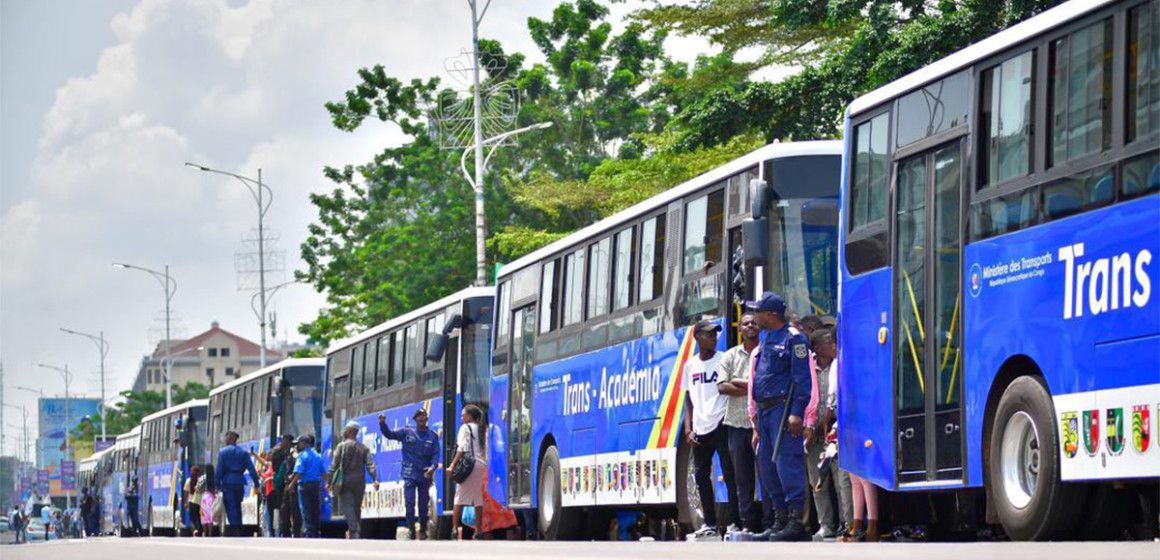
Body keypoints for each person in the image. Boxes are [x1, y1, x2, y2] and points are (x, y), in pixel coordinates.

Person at [748, 291, 811, 541]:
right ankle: (780, 519)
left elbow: (802, 379)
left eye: (758, 311)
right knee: (767, 466)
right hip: (764, 412)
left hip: (782, 411)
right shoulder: (766, 338)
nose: (754, 316)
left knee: (787, 464)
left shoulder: (794, 339)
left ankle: (796, 523)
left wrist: (797, 413)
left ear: (770, 314)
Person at [682, 319, 739, 539]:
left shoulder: (724, 359)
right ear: (698, 337)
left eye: (715, 334)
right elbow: (688, 398)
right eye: (709, 334)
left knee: (729, 473)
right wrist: (688, 429)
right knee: (701, 476)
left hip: (721, 422)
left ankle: (734, 521)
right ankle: (710, 523)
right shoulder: (690, 365)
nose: (714, 338)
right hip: (700, 427)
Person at [716, 312, 762, 535]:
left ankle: (770, 521)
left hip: (760, 426)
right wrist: (753, 388)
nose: (750, 326)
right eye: (746, 323)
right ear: (740, 328)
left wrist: (741, 384)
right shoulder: (730, 356)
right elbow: (722, 386)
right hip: (735, 425)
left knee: (767, 476)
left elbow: (768, 384)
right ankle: (748, 523)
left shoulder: (765, 353)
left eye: (754, 323)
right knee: (742, 479)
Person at [379, 408, 439, 540]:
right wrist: (382, 424)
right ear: (415, 419)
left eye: (423, 416)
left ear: (427, 418)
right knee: (409, 502)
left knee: (423, 505)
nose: (421, 419)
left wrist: (433, 467)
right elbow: (389, 435)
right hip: (409, 474)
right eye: (418, 417)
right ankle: (411, 530)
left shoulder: (432, 436)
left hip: (424, 475)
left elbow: (436, 455)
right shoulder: (406, 432)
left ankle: (422, 530)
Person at [803, 328, 840, 539]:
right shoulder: (808, 368)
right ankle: (825, 524)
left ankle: (845, 522)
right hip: (813, 433)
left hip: (834, 431)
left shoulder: (838, 364)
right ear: (816, 347)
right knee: (818, 483)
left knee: (840, 481)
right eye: (827, 341)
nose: (832, 344)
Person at [329, 420, 379, 539]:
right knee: (356, 507)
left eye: (346, 429)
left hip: (345, 481)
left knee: (348, 506)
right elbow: (370, 464)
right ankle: (355, 530)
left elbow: (333, 466)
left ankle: (354, 530)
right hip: (360, 482)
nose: (344, 431)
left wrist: (329, 482)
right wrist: (375, 479)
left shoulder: (341, 446)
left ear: (350, 431)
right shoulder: (363, 448)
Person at [447, 404, 486, 540]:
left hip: (470, 464)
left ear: (469, 417)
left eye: (463, 415)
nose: (461, 417)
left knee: (459, 497)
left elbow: (462, 448)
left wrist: (452, 465)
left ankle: (454, 529)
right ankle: (479, 530)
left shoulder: (465, 428)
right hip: (481, 464)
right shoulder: (481, 428)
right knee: (477, 497)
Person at [215, 431, 260, 536]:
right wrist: (256, 483)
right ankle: (238, 526)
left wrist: (217, 485)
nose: (224, 440)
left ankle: (235, 528)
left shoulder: (223, 452)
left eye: (225, 438)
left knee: (230, 505)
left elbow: (219, 470)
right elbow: (252, 469)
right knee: (237, 504)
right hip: (240, 481)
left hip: (227, 482)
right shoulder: (243, 453)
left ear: (230, 438)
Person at [291, 434, 323, 538]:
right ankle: (316, 530)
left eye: (298, 443)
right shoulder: (318, 455)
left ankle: (309, 531)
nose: (297, 446)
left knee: (305, 508)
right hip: (316, 484)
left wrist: (291, 484)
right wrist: (328, 484)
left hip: (304, 485)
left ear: (304, 443)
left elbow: (299, 473)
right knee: (315, 507)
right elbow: (323, 472)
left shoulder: (302, 456)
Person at [268, 434, 294, 537]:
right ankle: (278, 529)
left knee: (282, 508)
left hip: (283, 483)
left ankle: (280, 529)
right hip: (281, 483)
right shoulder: (280, 452)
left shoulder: (285, 452)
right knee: (279, 508)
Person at [185, 465, 206, 537]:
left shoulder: (188, 481)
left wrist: (185, 503)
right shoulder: (201, 481)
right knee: (199, 517)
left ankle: (194, 530)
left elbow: (186, 492)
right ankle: (199, 531)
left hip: (191, 502)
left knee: (192, 519)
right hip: (200, 502)